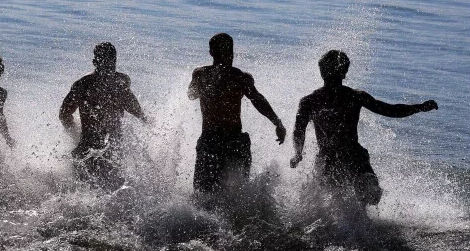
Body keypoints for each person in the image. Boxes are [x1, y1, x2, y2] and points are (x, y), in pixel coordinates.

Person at [290, 50, 438, 206]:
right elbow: (389, 110)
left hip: (328, 159)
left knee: (335, 204)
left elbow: (298, 131)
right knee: (372, 197)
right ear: (344, 73)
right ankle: (361, 210)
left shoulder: (309, 101)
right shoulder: (354, 96)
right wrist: (418, 107)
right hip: (353, 156)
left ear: (321, 72)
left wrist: (298, 154)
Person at [187, 33, 286, 193]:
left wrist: (208, 87)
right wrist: (277, 123)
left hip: (211, 140)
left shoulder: (201, 74)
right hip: (236, 141)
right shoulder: (241, 77)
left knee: (202, 194)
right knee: (240, 194)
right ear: (232, 52)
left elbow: (191, 95)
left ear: (211, 52)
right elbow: (258, 100)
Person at [59, 42, 149, 190]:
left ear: (95, 61)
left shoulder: (85, 84)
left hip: (93, 148)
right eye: (107, 61)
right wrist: (145, 120)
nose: (109, 66)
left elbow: (64, 114)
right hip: (107, 148)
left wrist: (74, 133)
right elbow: (136, 110)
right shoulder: (117, 83)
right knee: (112, 191)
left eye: (110, 62)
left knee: (83, 192)